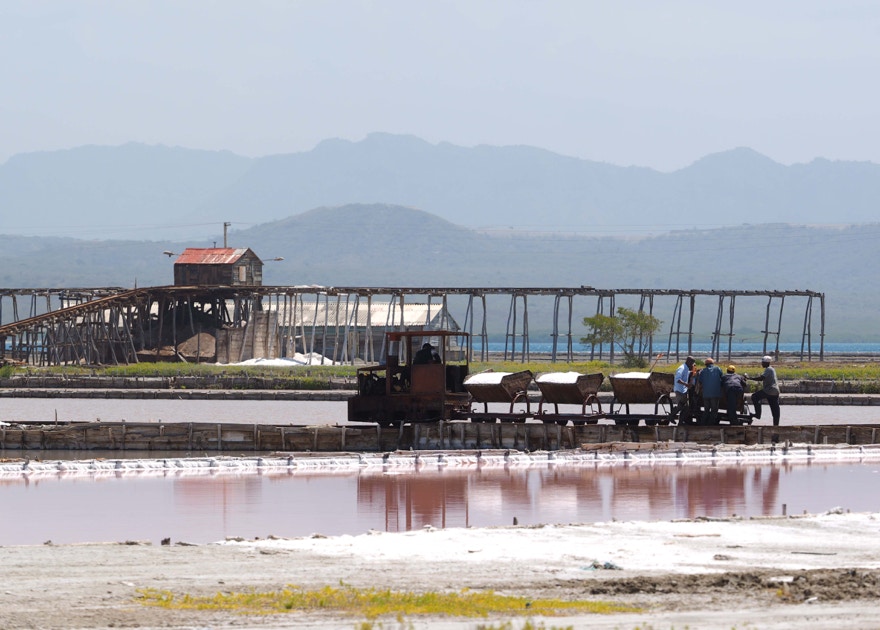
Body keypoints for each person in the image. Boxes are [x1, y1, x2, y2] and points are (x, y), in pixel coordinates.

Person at [748, 355, 781, 426]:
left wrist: (750, 378)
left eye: (763, 362)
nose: (762, 364)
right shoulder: (772, 369)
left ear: (767, 363)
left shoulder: (768, 369)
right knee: (775, 409)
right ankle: (776, 426)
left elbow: (761, 378)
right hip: (775, 391)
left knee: (754, 396)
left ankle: (757, 414)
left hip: (770, 390)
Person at [696, 357, 723, 425]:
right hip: (715, 394)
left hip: (706, 394)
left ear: (706, 364)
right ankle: (710, 424)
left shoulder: (703, 371)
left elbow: (700, 381)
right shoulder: (718, 369)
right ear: (712, 363)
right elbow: (722, 377)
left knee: (706, 410)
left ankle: (702, 423)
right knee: (714, 410)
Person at [671, 356, 696, 422]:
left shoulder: (686, 368)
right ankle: (671, 416)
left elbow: (688, 374)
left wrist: (693, 371)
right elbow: (678, 379)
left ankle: (681, 422)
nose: (692, 365)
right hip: (679, 390)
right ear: (688, 362)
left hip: (683, 390)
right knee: (682, 406)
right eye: (692, 363)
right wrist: (686, 384)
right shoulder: (681, 368)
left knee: (685, 407)